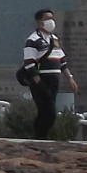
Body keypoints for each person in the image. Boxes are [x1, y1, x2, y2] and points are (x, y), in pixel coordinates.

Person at [20, 8, 76, 139]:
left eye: (52, 18)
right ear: (39, 22)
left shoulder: (54, 39)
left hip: (54, 80)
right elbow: (29, 64)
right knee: (49, 112)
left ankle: (39, 137)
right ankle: (40, 137)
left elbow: (62, 61)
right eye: (47, 19)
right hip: (41, 80)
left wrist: (70, 78)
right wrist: (39, 83)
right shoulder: (32, 40)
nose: (51, 21)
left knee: (45, 111)